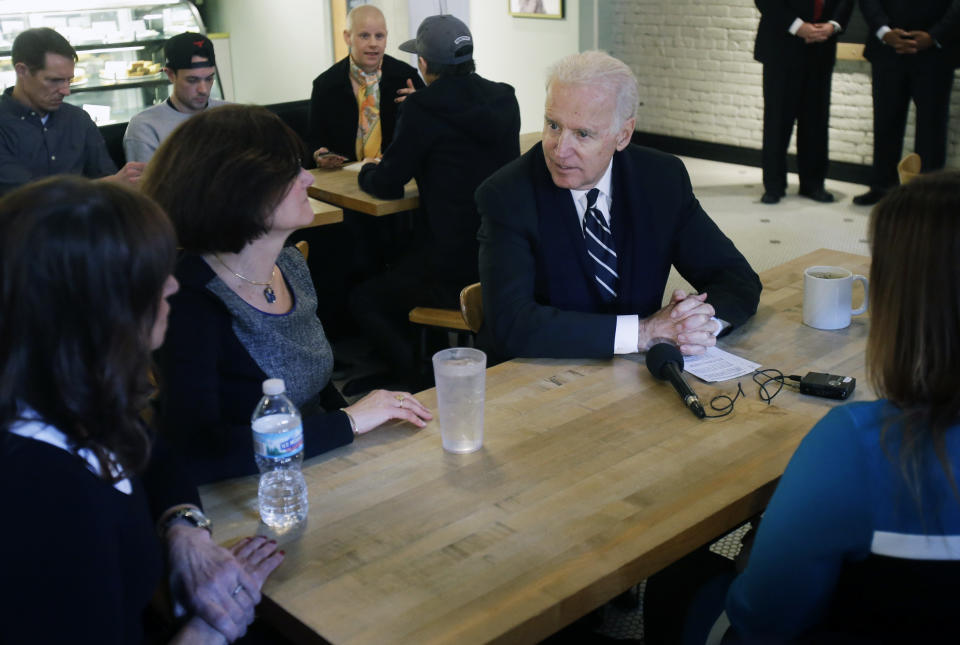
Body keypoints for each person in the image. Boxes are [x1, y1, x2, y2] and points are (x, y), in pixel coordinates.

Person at [0, 176, 282, 643]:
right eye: (152, 274)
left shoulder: (60, 399)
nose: (171, 285)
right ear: (96, 305)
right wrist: (212, 628)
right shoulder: (39, 497)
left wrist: (183, 528)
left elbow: (153, 452)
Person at [698, 170, 960, 642]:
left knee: (683, 581)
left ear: (902, 301)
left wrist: (754, 555)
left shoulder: (857, 445)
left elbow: (764, 618)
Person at [143, 105, 432, 485]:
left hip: (316, 469)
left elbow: (313, 385)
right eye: (290, 171)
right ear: (237, 189)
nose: (308, 179)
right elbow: (199, 452)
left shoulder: (290, 265)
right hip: (245, 493)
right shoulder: (188, 301)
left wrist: (356, 428)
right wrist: (349, 422)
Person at [475, 51, 762, 360]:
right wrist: (643, 333)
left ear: (623, 135)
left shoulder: (661, 179)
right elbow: (513, 326)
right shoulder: (506, 195)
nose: (560, 150)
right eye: (553, 125)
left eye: (582, 134)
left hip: (633, 377)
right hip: (537, 378)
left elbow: (736, 279)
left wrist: (700, 324)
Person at [349, 14, 521, 390]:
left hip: (448, 266)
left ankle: (415, 380)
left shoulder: (422, 108)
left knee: (364, 298)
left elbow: (389, 184)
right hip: (501, 259)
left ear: (424, 64)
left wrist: (366, 171)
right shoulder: (504, 97)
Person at [0, 27, 144, 196]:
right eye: (54, 80)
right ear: (21, 71)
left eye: (69, 80)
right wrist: (104, 185)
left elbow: (106, 176)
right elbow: (22, 196)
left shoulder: (78, 119)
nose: (66, 91)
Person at [853, 0, 960, 206]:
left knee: (932, 127)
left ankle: (929, 194)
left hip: (936, 52)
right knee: (885, 121)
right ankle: (882, 187)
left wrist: (934, 35)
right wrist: (885, 31)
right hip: (888, 50)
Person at [754, 0, 854, 204]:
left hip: (821, 48)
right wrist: (798, 27)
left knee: (816, 121)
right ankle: (774, 185)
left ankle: (813, 184)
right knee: (777, 121)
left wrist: (833, 25)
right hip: (781, 46)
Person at [307, 4, 424, 167]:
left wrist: (422, 106)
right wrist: (319, 154)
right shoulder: (326, 85)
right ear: (348, 37)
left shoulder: (406, 76)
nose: (373, 43)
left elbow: (432, 132)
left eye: (379, 36)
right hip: (345, 174)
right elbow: (314, 140)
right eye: (364, 36)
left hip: (395, 170)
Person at [123, 32, 228, 163]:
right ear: (170, 75)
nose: (204, 90)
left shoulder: (230, 115)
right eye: (192, 80)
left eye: (209, 79)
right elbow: (147, 183)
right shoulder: (146, 127)